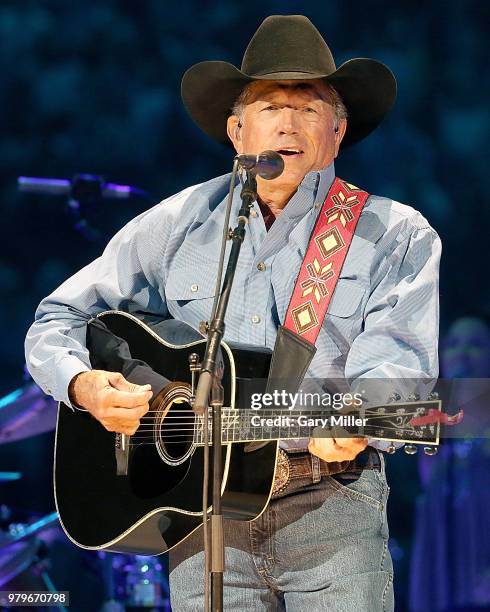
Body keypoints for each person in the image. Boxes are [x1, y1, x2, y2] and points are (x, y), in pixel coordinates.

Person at [25, 15, 441, 611]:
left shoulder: (395, 235)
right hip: (199, 519)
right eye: (271, 106)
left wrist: (355, 420)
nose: (290, 123)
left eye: (312, 107)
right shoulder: (177, 223)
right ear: (237, 130)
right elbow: (57, 317)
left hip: (332, 514)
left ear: (338, 131)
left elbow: (396, 367)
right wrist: (84, 385)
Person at [409, 316, 490, 611]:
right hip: (441, 554)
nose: (462, 353)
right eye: (453, 344)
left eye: (476, 345)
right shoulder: (430, 414)